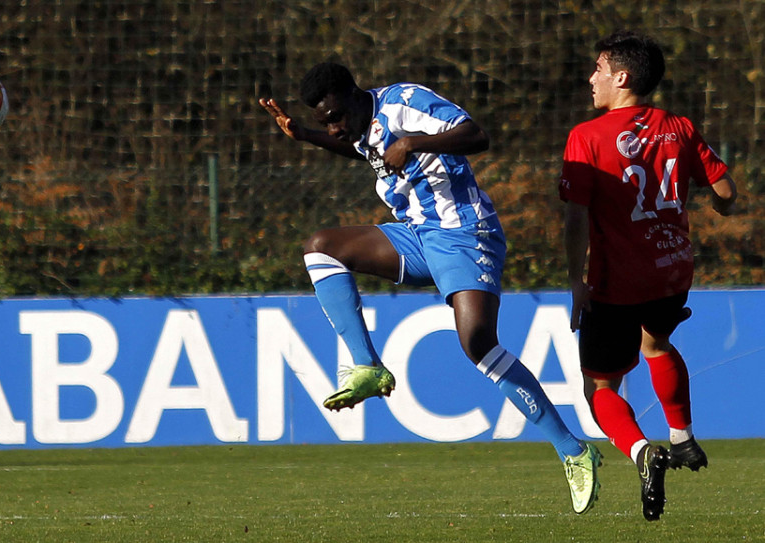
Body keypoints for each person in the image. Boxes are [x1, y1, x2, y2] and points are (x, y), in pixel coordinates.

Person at [260, 62, 602, 515]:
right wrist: (306, 135)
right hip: (417, 235)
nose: (336, 128)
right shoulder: (359, 126)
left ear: (353, 93)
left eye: (337, 117)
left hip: (465, 233)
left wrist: (413, 143)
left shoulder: (403, 104)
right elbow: (362, 151)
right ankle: (367, 367)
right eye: (327, 123)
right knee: (321, 248)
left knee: (478, 343)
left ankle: (573, 450)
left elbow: (477, 135)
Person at [560, 31, 737, 521]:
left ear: (621, 77)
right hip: (672, 271)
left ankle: (643, 451)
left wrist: (577, 281)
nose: (590, 77)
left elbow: (575, 217)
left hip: (618, 282)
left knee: (600, 390)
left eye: (597, 68)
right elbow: (726, 192)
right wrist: (718, 206)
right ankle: (682, 439)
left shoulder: (587, 136)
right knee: (654, 343)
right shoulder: (678, 127)